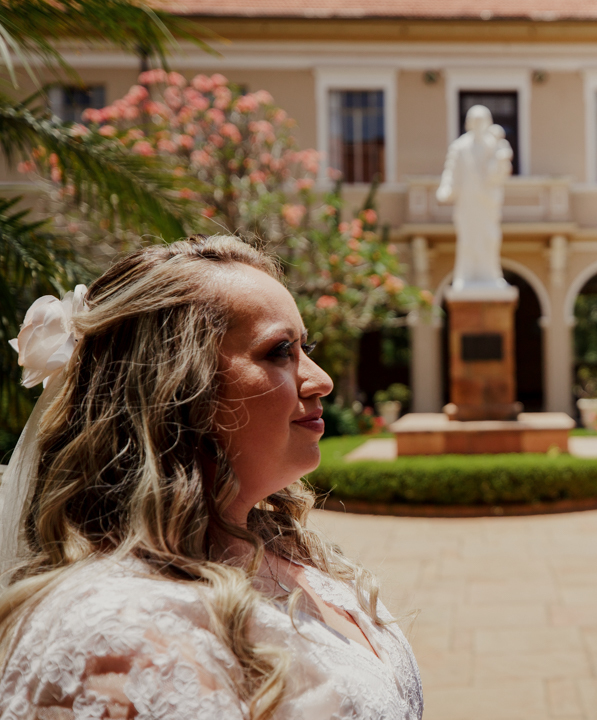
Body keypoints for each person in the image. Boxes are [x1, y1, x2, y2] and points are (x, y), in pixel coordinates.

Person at [0, 236, 423, 719]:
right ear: (176, 390)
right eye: (280, 350)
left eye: (306, 347)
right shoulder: (115, 633)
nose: (321, 378)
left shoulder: (274, 542)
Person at [436, 104, 515, 290]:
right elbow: (451, 170)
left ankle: (491, 275)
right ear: (469, 123)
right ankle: (465, 275)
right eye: (475, 120)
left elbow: (504, 172)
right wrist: (446, 188)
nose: (479, 124)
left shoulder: (495, 145)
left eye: (482, 120)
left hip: (488, 202)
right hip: (467, 202)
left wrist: (502, 161)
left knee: (490, 238)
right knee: (467, 240)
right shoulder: (460, 146)